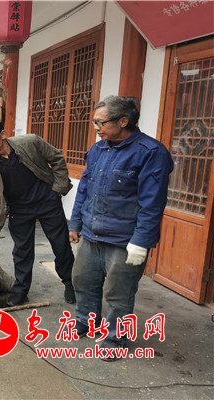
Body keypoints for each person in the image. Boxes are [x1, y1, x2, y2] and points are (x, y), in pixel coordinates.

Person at [68, 96, 174, 360]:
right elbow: (85, 189)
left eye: (101, 122)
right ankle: (86, 321)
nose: (96, 128)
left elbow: (152, 203)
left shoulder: (151, 153)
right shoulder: (98, 149)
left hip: (124, 239)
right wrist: (76, 222)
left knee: (118, 292)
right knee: (83, 281)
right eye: (94, 122)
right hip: (91, 233)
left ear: (123, 121)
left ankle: (115, 338)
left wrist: (141, 242)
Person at [0, 117, 75, 306]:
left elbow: (57, 159)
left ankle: (69, 283)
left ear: (2, 134)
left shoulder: (30, 143)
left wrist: (58, 190)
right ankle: (21, 290)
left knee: (61, 245)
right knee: (22, 251)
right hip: (18, 209)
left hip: (47, 201)